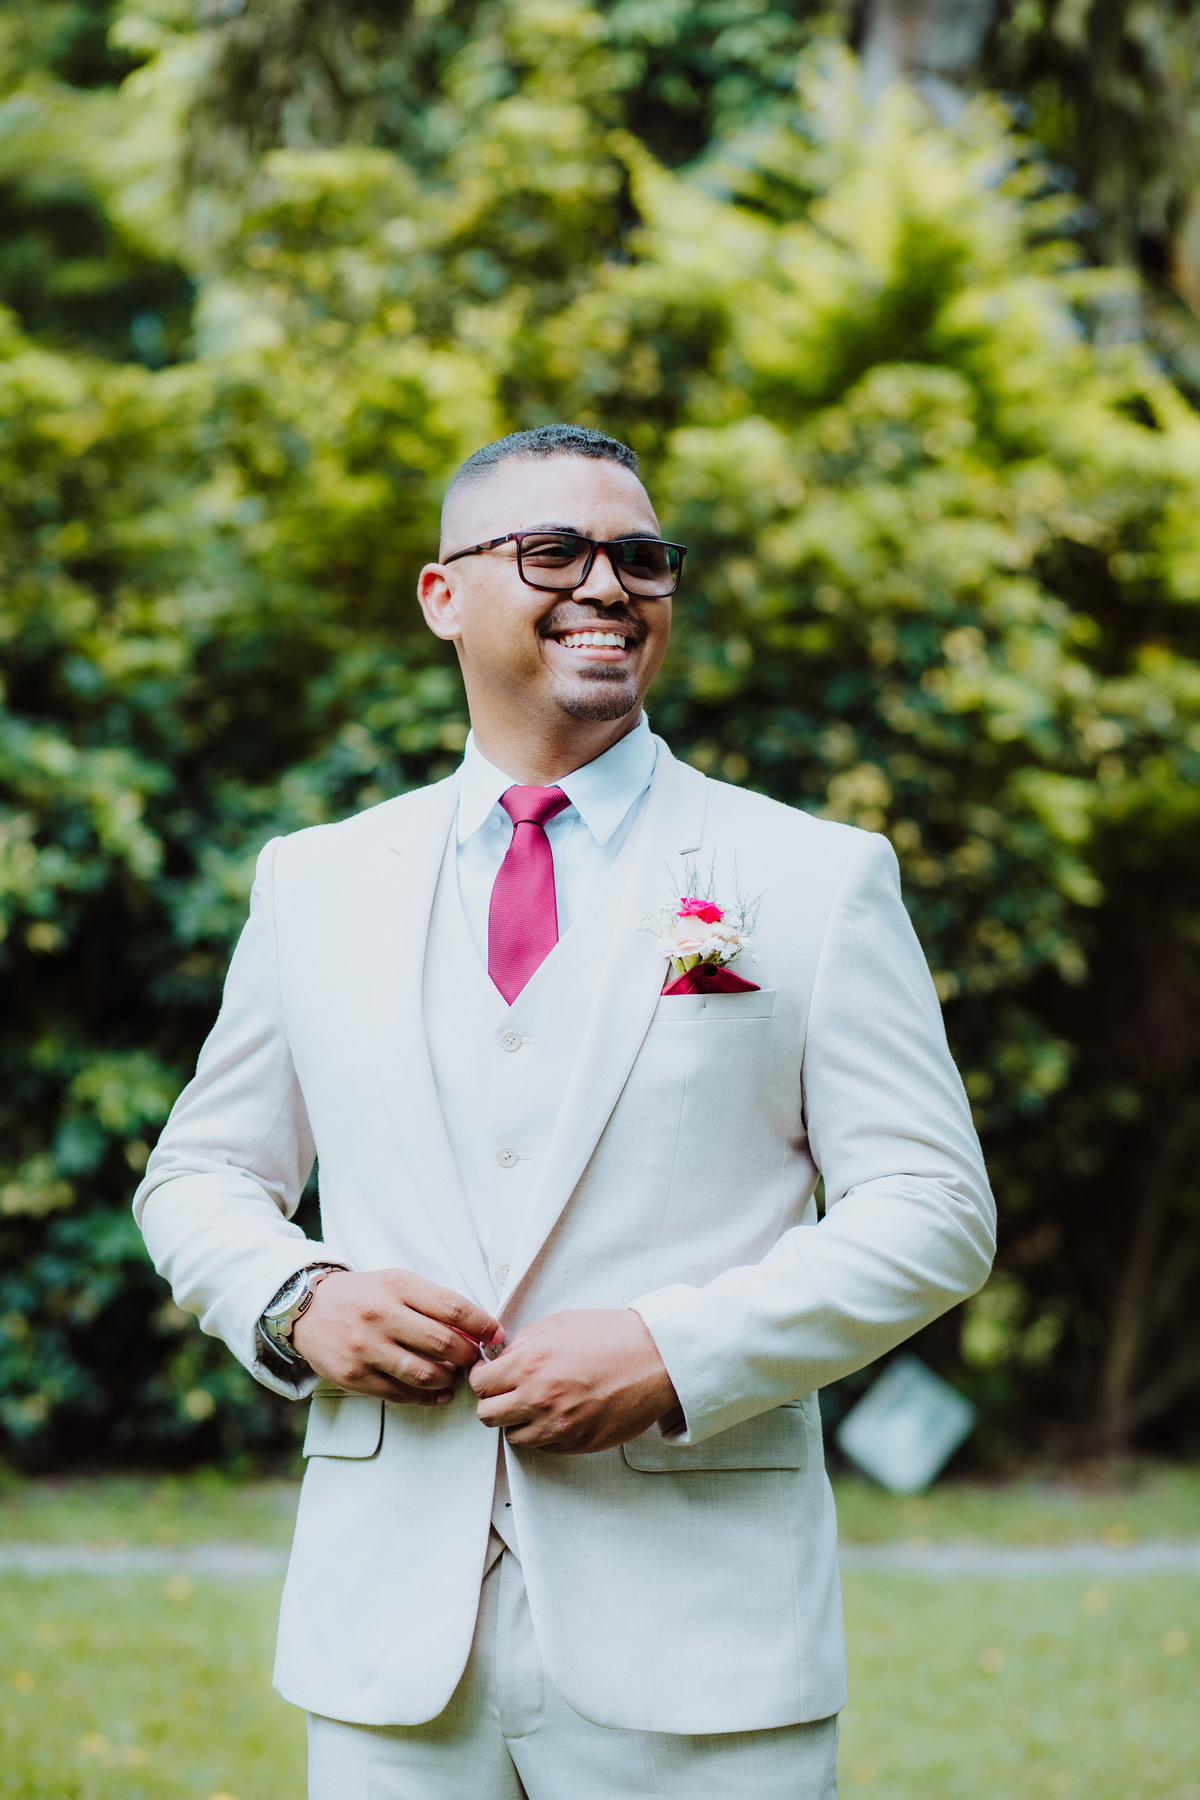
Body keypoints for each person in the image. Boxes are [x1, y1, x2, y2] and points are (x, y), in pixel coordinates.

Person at [134, 422, 994, 1798]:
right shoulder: (318, 881)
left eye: (641, 557)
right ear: (443, 597)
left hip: (704, 1647)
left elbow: (936, 1211)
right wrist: (298, 1298)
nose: (610, 584)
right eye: (555, 550)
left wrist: (676, 1348)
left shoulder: (813, 877)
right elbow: (200, 1175)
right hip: (390, 1652)